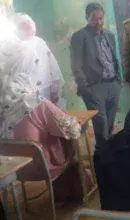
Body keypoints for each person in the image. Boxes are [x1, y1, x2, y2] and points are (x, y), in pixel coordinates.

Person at [0, 32, 83, 201]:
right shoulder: (36, 102)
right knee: (69, 139)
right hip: (41, 166)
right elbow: (72, 130)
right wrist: (74, 121)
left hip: (15, 169)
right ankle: (70, 194)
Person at [70, 2, 122, 149]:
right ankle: (102, 159)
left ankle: (110, 155)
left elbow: (113, 58)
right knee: (101, 127)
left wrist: (118, 81)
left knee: (110, 125)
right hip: (95, 87)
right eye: (94, 19)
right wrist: (86, 89)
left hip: (113, 84)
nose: (98, 22)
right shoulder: (79, 37)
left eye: (100, 18)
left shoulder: (109, 35)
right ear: (87, 18)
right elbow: (76, 66)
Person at [11, 13, 66, 110]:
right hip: (26, 94)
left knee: (48, 115)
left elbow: (52, 64)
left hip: (46, 88)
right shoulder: (13, 47)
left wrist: (55, 85)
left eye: (29, 24)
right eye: (23, 26)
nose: (28, 28)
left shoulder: (39, 42)